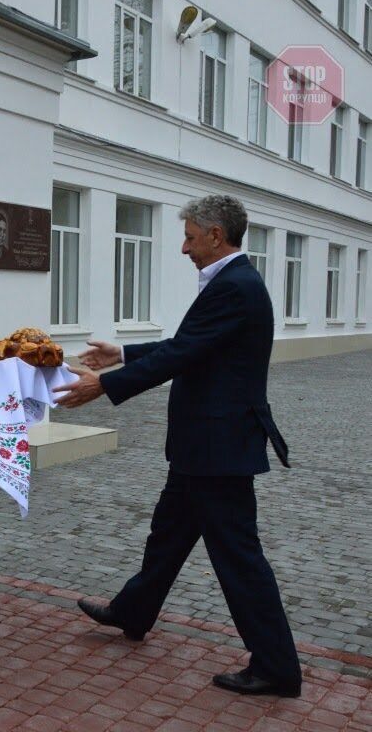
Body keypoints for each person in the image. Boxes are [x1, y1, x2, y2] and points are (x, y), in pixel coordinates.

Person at [53, 195, 301, 698]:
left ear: (216, 235)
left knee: (239, 558)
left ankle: (277, 667)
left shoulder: (235, 286)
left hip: (218, 450)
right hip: (202, 446)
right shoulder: (232, 282)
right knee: (167, 536)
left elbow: (185, 352)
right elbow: (192, 344)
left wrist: (105, 385)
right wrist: (122, 353)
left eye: (190, 237)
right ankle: (133, 611)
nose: (184, 248)